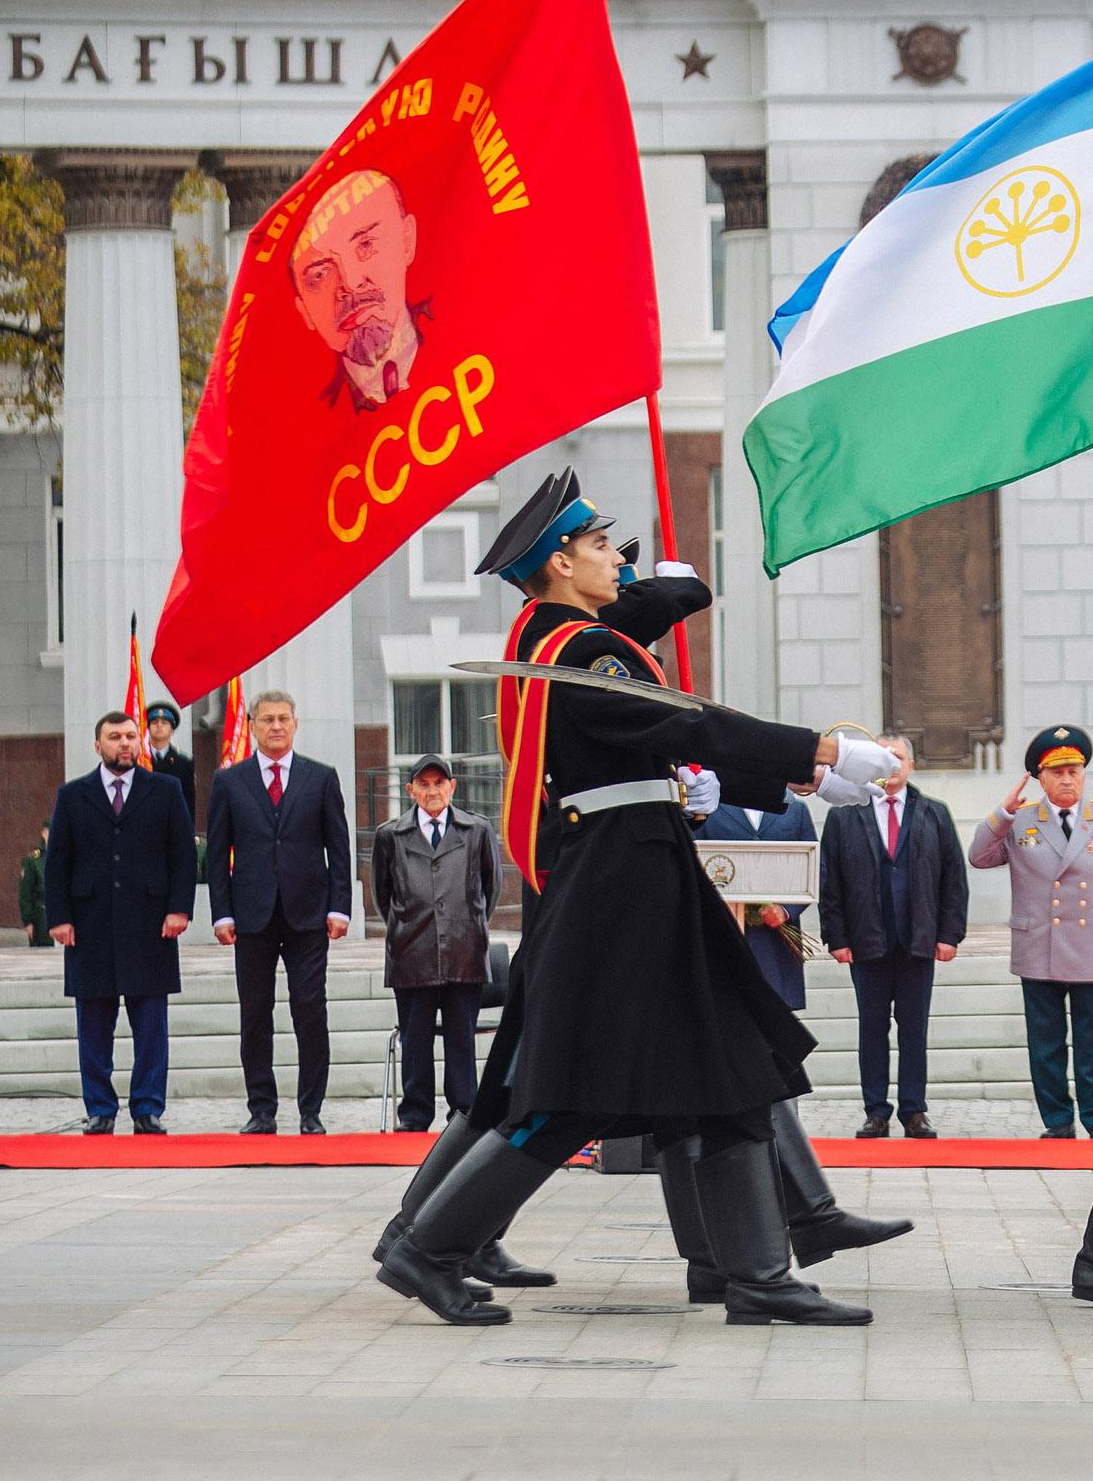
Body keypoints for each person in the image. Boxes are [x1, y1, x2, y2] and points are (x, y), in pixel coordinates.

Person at [373, 469, 906, 1327]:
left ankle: (758, 1272)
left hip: (634, 868)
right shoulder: (586, 653)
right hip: (628, 881)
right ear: (556, 563)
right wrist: (821, 750)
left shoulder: (550, 641)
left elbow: (638, 629)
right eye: (594, 547)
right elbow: (689, 722)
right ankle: (426, 1248)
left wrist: (678, 591)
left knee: (728, 1061)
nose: (613, 560)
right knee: (574, 1093)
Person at [971, 726, 1093, 1138]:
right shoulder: (1020, 822)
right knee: (1046, 1045)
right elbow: (978, 857)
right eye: (1057, 772)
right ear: (1040, 778)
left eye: (1074, 770)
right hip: (1039, 946)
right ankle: (1057, 1122)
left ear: (1084, 774)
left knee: (1091, 1044)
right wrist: (1002, 812)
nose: (1067, 779)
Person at [204, 689, 352, 1136]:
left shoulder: (321, 778)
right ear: (252, 725)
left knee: (309, 1009)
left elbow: (339, 849)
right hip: (252, 916)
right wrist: (221, 913)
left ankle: (311, 1110)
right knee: (255, 1013)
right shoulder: (230, 782)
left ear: (295, 724)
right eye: (267, 719)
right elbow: (216, 852)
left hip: (309, 914)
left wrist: (340, 907)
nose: (275, 726)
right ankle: (261, 1110)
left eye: (283, 718)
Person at [43, 712, 195, 1135]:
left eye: (130, 736)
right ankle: (100, 1108)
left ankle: (147, 1107)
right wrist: (58, 918)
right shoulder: (73, 795)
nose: (124, 743)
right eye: (114, 737)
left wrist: (179, 908)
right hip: (89, 927)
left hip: (152, 926)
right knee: (93, 1024)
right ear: (98, 746)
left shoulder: (164, 790)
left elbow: (182, 854)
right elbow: (57, 863)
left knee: (150, 1026)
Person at [817, 737, 967, 1138]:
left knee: (914, 1029)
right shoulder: (845, 814)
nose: (891, 765)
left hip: (918, 940)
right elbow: (830, 881)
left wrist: (950, 934)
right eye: (882, 758)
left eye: (897, 757)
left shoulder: (935, 814)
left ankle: (914, 1110)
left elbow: (953, 878)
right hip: (867, 941)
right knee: (872, 1028)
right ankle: (876, 1111)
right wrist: (836, 937)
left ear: (912, 765)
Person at [368, 753, 498, 1133]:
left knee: (461, 1038)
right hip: (412, 953)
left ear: (452, 787)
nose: (432, 791)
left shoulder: (476, 830)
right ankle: (414, 1115)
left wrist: (467, 924)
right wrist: (405, 926)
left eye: (438, 783)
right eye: (423, 785)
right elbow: (382, 893)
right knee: (416, 1040)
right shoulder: (390, 834)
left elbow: (490, 890)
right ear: (411, 790)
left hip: (464, 951)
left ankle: (464, 1113)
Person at [290, 168, 425, 413]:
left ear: (407, 241)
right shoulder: (305, 421)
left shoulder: (468, 341)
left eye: (366, 245)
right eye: (320, 275)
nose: (350, 284)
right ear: (304, 312)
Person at [698, 785, 819, 1012]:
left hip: (776, 939)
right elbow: (696, 862)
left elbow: (814, 868)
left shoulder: (795, 810)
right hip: (726, 934)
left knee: (777, 1022)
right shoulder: (710, 810)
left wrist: (785, 909)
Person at [142, 701, 195, 826]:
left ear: (172, 729)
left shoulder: (184, 762)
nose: (159, 726)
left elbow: (189, 800)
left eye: (164, 723)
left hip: (173, 823)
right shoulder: (140, 759)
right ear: (148, 727)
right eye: (154, 722)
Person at [18, 826, 49, 949]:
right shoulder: (33, 861)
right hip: (41, 918)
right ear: (44, 833)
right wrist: (28, 921)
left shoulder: (68, 856)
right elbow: (25, 894)